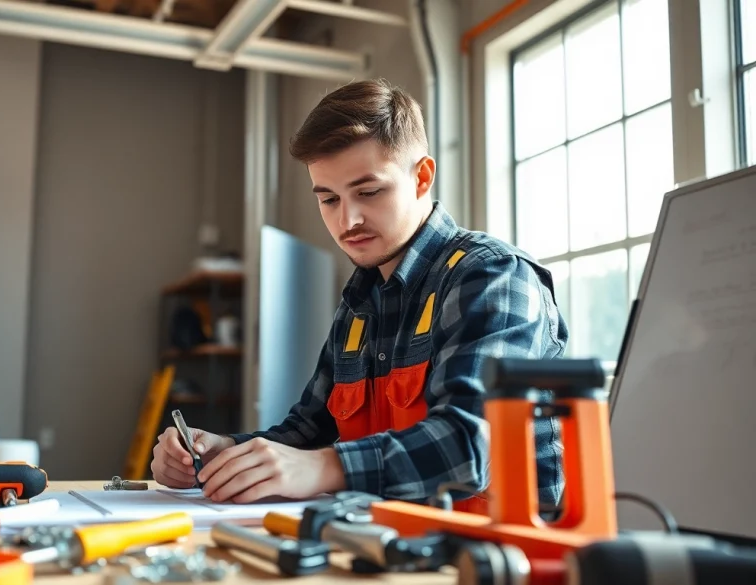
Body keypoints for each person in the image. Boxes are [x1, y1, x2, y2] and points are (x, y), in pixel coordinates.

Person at [151, 78, 568, 512]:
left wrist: (324, 469)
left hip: (507, 562)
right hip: (396, 549)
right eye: (329, 199)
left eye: (368, 192)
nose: (347, 220)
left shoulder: (493, 277)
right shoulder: (360, 301)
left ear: (422, 177)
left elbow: (468, 445)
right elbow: (307, 432)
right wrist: (222, 453)